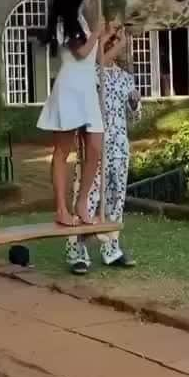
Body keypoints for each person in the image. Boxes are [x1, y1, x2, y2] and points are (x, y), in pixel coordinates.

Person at [66, 23, 141, 274]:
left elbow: (135, 116)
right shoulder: (92, 72)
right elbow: (93, 69)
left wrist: (134, 103)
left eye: (114, 43)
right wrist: (117, 39)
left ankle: (111, 249)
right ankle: (77, 250)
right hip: (95, 147)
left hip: (119, 147)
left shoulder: (124, 77)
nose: (112, 46)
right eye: (108, 42)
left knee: (115, 199)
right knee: (86, 199)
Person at [37, 0, 110, 227]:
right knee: (62, 151)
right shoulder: (62, 21)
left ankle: (82, 200)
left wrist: (106, 37)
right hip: (69, 89)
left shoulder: (80, 20)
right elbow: (80, 53)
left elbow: (93, 57)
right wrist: (98, 33)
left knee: (95, 147)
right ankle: (60, 208)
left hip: (87, 89)